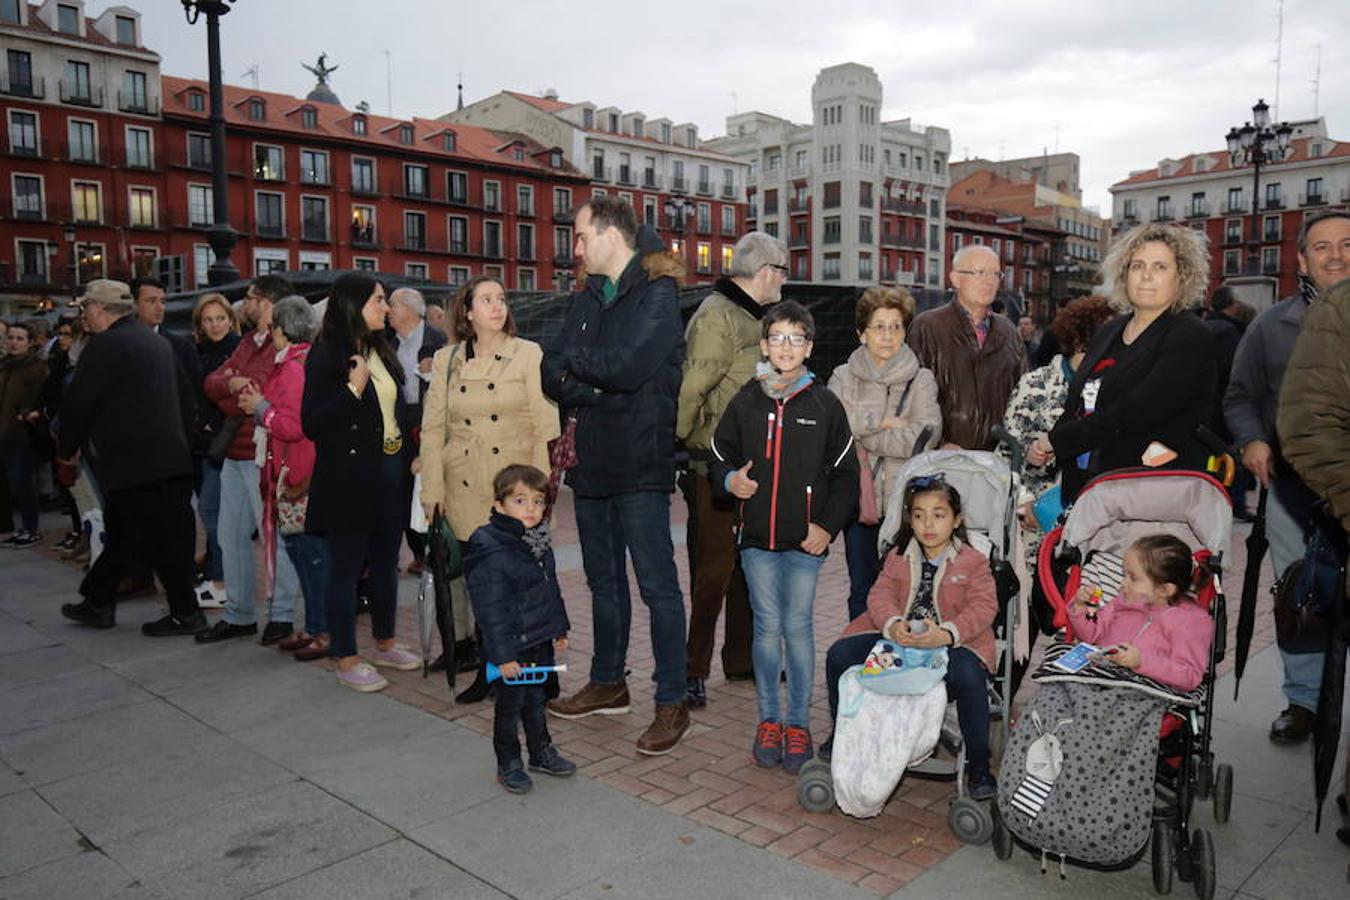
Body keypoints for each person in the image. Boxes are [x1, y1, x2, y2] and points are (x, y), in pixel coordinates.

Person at [541, 196, 690, 756]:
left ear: (609, 235)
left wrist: (585, 368)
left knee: (657, 586)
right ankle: (608, 681)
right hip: (593, 462)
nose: (574, 248)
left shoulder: (657, 293)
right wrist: (593, 380)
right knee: (602, 582)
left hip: (641, 461)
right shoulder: (585, 297)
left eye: (580, 236)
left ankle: (672, 700)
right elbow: (549, 371)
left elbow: (629, 367)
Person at [711, 300, 859, 773]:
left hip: (804, 544)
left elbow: (847, 477)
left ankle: (798, 722)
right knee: (766, 628)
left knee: (797, 628)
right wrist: (730, 481)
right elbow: (718, 455)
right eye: (777, 337)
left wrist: (826, 527)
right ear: (764, 344)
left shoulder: (825, 404)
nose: (786, 347)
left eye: (796, 338)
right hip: (756, 540)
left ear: (809, 347)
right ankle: (768, 719)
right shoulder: (746, 400)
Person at [1224, 209, 1350, 743]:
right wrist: (1252, 439)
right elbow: (1239, 396)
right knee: (1300, 594)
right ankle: (1304, 701)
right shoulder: (1270, 325)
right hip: (1294, 491)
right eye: (1322, 247)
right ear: (1301, 259)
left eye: (1347, 244)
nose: (1336, 255)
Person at [419, 275, 557, 689]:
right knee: (483, 586)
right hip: (464, 484)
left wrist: (539, 494)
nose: (497, 306)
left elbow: (543, 427)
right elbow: (432, 430)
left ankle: (537, 672)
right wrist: (432, 493)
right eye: (487, 300)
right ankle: (488, 670)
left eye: (501, 298)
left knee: (525, 584)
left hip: (513, 488)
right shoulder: (447, 361)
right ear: (467, 311)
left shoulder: (528, 354)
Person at [823, 477, 999, 798]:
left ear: (956, 519)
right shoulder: (899, 556)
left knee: (970, 676)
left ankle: (978, 767)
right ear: (910, 519)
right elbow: (879, 597)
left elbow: (984, 608)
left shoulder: (974, 561)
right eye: (919, 515)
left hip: (952, 643)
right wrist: (893, 625)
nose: (928, 524)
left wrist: (946, 634)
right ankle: (841, 734)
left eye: (939, 514)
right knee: (838, 656)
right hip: (897, 640)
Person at [56, 280, 207, 636]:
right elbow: (187, 400)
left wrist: (65, 452)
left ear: (99, 308)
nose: (83, 317)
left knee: (157, 540)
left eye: (84, 309)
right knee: (127, 533)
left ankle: (186, 613)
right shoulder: (154, 341)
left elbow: (79, 405)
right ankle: (97, 600)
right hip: (168, 458)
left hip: (135, 462)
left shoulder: (105, 346)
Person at [675, 230, 785, 708]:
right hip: (716, 465)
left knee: (747, 566)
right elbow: (692, 389)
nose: (785, 280)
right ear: (765, 272)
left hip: (751, 462)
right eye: (782, 271)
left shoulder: (746, 314)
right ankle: (692, 671)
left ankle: (739, 659)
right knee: (714, 571)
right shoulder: (718, 316)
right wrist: (687, 446)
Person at [303, 272, 420, 692]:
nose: (386, 308)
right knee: (347, 568)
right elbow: (312, 422)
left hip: (390, 471)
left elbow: (397, 410)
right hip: (349, 478)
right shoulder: (325, 356)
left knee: (386, 562)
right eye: (378, 300)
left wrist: (413, 453)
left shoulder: (380, 349)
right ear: (353, 305)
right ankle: (347, 656)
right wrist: (351, 391)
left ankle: (385, 642)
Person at [1051, 223, 1216, 503]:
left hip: (1150, 489)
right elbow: (1080, 401)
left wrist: (1058, 441)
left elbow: (1138, 409)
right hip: (1089, 482)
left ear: (1182, 278)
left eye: (1160, 267)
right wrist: (1057, 442)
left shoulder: (1190, 334)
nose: (1147, 276)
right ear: (1124, 273)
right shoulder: (1109, 331)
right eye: (1137, 265)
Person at [198, 275, 304, 646]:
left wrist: (234, 385)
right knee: (229, 536)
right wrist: (231, 384)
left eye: (249, 298)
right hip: (235, 454)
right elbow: (214, 384)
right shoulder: (248, 341)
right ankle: (239, 614)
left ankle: (281, 614)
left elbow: (258, 393)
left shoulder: (282, 343)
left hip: (265, 454)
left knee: (276, 538)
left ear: (267, 303)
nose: (244, 304)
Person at [828, 286, 941, 619]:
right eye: (879, 326)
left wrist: (864, 434)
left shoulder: (921, 379)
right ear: (861, 333)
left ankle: (898, 667)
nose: (888, 335)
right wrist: (883, 421)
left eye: (896, 326)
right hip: (858, 505)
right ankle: (862, 665)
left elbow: (924, 437)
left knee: (904, 592)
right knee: (861, 590)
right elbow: (836, 431)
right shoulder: (842, 376)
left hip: (905, 507)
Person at [465, 464, 575, 794]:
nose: (531, 509)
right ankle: (509, 762)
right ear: (499, 505)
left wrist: (559, 628)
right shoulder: (491, 547)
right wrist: (502, 656)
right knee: (510, 707)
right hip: (511, 645)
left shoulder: (538, 542)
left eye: (538, 501)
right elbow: (490, 610)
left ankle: (541, 752)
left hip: (538, 639)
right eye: (520, 500)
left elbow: (549, 590)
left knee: (536, 700)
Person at [237, 297, 329, 661]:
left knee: (309, 556)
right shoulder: (301, 361)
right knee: (304, 553)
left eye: (272, 325)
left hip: (298, 474)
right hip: (299, 471)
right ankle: (316, 627)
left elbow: (294, 424)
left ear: (281, 329)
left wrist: (259, 408)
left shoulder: (293, 367)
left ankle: (322, 630)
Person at [1002, 296, 1115, 556]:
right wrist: (1024, 502)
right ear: (1078, 341)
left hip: (1099, 528)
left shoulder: (1117, 388)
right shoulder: (1036, 384)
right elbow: (1007, 450)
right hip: (1038, 525)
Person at [908, 244, 1026, 451]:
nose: (989, 280)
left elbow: (1025, 396)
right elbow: (911, 397)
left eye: (995, 273)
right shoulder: (928, 326)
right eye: (979, 272)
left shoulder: (1008, 331)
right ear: (955, 279)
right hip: (945, 462)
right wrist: (938, 444)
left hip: (999, 461)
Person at [1066, 534, 1214, 692]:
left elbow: (1190, 675)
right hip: (1101, 676)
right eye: (1124, 575)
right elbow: (1091, 636)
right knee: (1057, 687)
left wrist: (1141, 661)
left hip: (1143, 691)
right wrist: (1080, 608)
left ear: (1165, 589)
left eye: (1133, 578)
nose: (1123, 583)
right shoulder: (1125, 601)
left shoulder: (1189, 622)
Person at [387, 287, 447, 575]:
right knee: (399, 484)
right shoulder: (387, 343)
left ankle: (431, 548)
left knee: (425, 482)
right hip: (397, 421)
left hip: (429, 420)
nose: (389, 311)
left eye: (393, 306)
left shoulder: (439, 341)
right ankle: (414, 550)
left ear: (411, 310)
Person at [191, 293, 241, 608]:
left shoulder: (239, 349)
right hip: (199, 443)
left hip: (227, 443)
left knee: (213, 511)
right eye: (208, 320)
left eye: (220, 318)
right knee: (211, 512)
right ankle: (216, 571)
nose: (215, 325)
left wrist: (213, 422)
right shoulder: (195, 351)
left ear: (230, 319)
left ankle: (222, 581)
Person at [0, 320, 48, 547]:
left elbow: (44, 398)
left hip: (23, 435)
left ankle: (31, 529)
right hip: (4, 433)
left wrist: (30, 412)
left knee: (24, 483)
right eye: (11, 337)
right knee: (12, 483)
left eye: (19, 339)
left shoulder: (36, 368)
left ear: (30, 343)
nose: (13, 343)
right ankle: (19, 528)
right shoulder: (5, 365)